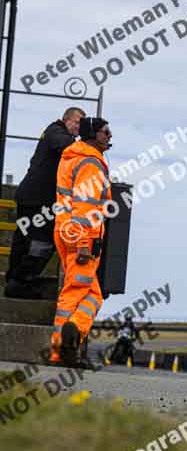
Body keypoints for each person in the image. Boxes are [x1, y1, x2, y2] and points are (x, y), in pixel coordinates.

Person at [49, 117, 113, 366]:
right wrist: (85, 243)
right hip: (81, 236)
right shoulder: (90, 163)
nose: (109, 136)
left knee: (94, 295)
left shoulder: (73, 157)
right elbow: (85, 207)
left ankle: (73, 330)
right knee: (74, 293)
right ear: (93, 135)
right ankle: (61, 351)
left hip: (66, 231)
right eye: (105, 132)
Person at [5, 107, 82, 298]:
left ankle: (15, 281)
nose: (79, 128)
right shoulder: (56, 131)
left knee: (23, 241)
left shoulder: (54, 132)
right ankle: (21, 282)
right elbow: (65, 146)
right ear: (66, 120)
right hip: (38, 200)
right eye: (77, 122)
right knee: (43, 243)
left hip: (32, 197)